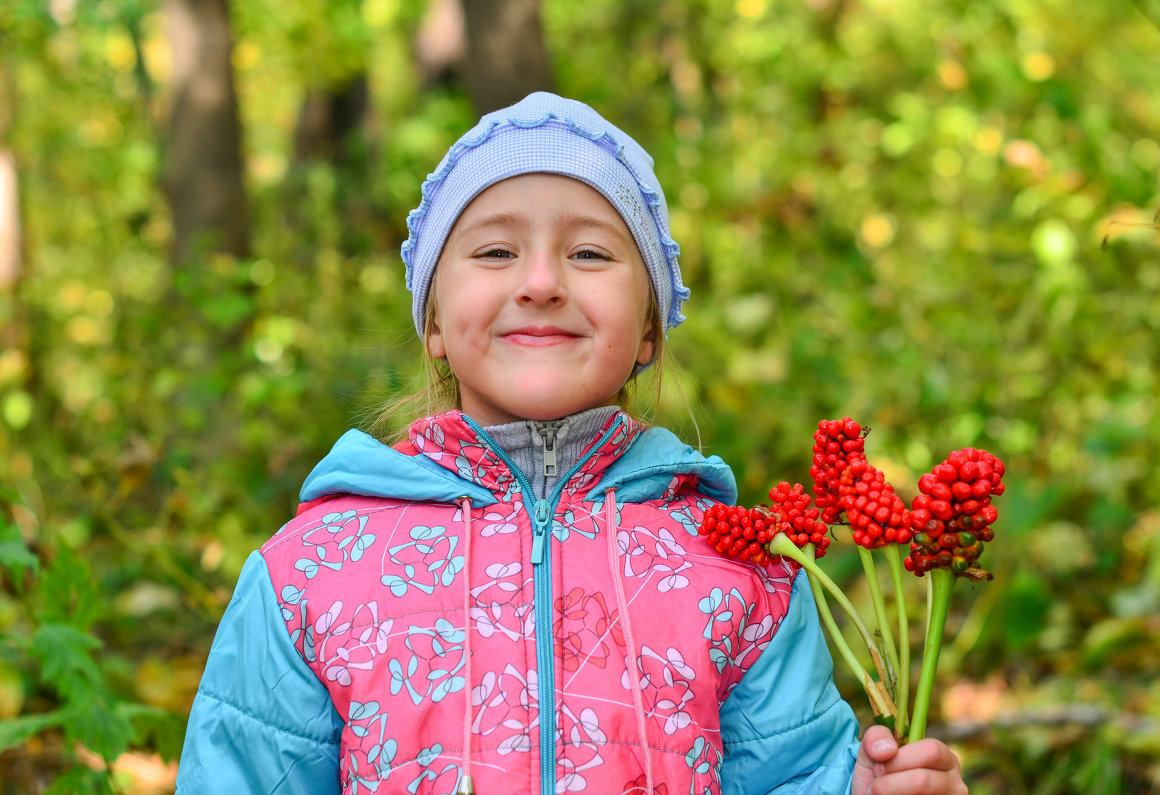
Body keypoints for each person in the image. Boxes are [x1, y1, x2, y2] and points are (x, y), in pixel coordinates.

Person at [177, 91, 966, 795]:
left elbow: (792, 775)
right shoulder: (310, 572)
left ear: (651, 327)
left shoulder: (743, 572)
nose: (542, 280)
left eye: (589, 252)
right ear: (435, 324)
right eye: (494, 251)